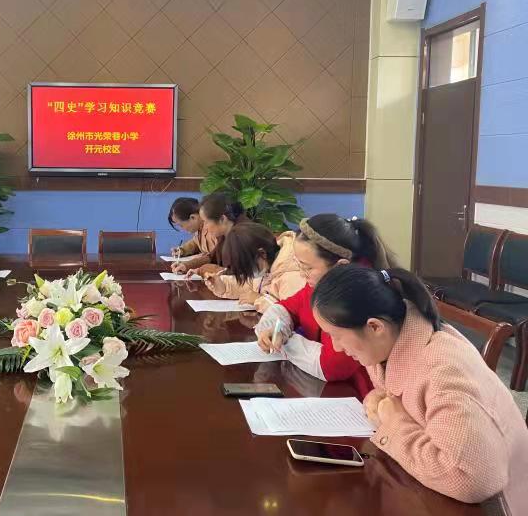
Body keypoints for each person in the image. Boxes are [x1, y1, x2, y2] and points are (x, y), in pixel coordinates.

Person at [312, 265, 528, 509]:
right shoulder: (391, 342)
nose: (336, 347)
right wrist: (381, 401)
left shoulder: (443, 370)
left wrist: (394, 423)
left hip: (499, 505)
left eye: (337, 335)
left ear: (374, 327)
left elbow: (472, 480)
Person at [255, 214, 396, 395]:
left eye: (307, 267)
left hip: (360, 397)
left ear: (340, 266)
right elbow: (286, 308)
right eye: (298, 264)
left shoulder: (360, 296)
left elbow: (330, 366)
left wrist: (284, 342)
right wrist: (276, 330)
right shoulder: (318, 284)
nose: (301, 274)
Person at [204, 222, 305, 313]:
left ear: (262, 253)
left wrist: (259, 300)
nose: (251, 272)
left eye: (249, 267)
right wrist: (223, 286)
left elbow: (291, 314)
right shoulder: (268, 265)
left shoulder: (292, 276)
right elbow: (250, 284)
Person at [178, 192, 248, 276]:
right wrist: (186, 266)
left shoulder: (242, 237)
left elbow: (238, 275)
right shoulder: (225, 235)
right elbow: (211, 257)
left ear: (222, 219)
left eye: (206, 222)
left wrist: (204, 270)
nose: (205, 227)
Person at [167, 197, 218, 269]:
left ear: (193, 217)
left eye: (181, 225)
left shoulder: (214, 228)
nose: (182, 229)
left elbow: (214, 256)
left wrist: (188, 265)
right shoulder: (199, 229)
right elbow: (195, 242)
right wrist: (182, 250)